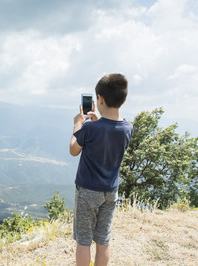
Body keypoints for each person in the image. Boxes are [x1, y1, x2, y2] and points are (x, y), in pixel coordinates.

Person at [69, 73, 133, 266]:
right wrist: (98, 121)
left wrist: (77, 125)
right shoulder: (128, 128)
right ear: (123, 99)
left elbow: (73, 150)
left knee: (83, 240)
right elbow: (108, 134)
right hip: (111, 191)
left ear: (100, 99)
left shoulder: (89, 129)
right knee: (103, 241)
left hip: (87, 191)